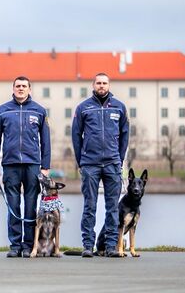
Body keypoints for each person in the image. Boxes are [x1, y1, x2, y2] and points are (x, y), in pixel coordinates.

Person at [0, 76, 51, 258]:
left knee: (31, 206)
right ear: (13, 88)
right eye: (18, 86)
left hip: (33, 164)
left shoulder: (39, 111)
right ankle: (15, 245)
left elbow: (46, 141)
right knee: (14, 206)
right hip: (10, 164)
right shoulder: (3, 111)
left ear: (29, 89)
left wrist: (45, 166)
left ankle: (28, 245)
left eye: (24, 86)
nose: (21, 89)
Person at [72, 73, 129, 258]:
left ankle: (111, 245)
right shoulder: (83, 108)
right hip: (90, 164)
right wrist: (81, 160)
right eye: (98, 83)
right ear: (93, 85)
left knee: (112, 207)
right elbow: (76, 135)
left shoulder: (119, 107)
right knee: (89, 206)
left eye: (104, 83)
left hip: (112, 164)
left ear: (109, 85)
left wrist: (119, 159)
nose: (101, 86)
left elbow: (125, 135)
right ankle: (88, 245)